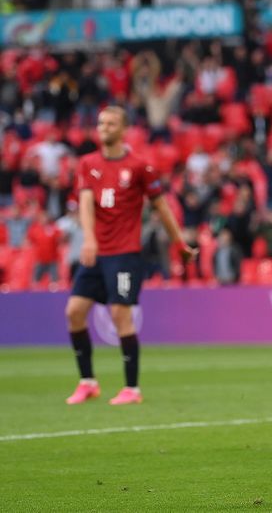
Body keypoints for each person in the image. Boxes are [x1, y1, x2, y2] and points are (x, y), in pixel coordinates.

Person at [64, 106, 195, 406]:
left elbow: (161, 207)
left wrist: (179, 243)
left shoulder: (139, 167)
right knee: (73, 312)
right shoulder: (87, 163)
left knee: (120, 315)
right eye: (100, 123)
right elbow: (85, 204)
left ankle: (131, 388)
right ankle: (87, 382)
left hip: (125, 253)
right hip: (96, 251)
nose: (104, 127)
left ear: (124, 129)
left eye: (111, 123)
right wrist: (88, 239)